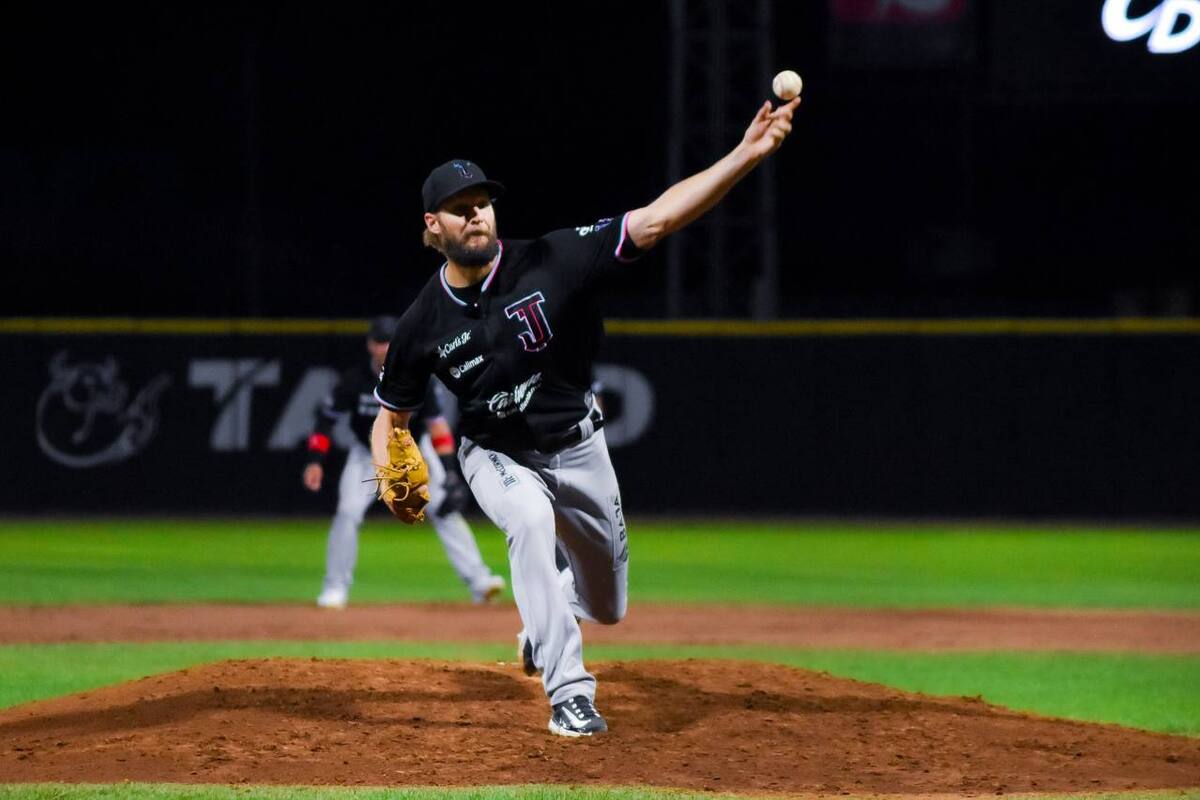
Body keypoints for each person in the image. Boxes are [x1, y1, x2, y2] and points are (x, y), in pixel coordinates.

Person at [372, 96, 801, 736]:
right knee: (528, 519)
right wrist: (387, 467)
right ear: (433, 226)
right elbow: (392, 417)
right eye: (460, 209)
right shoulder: (419, 326)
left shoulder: (554, 258)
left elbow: (655, 222)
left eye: (482, 203)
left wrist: (746, 154)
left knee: (608, 605)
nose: (476, 215)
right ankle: (569, 692)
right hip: (496, 454)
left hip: (579, 448)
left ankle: (543, 628)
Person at [303, 316, 505, 608]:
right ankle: (334, 588)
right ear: (370, 345)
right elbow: (326, 421)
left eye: (389, 341)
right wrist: (314, 461)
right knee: (347, 512)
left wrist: (449, 472)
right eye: (380, 341)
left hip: (413, 452)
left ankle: (479, 581)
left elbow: (438, 426)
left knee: (445, 509)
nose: (384, 348)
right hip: (368, 455)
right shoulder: (354, 381)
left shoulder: (417, 377)